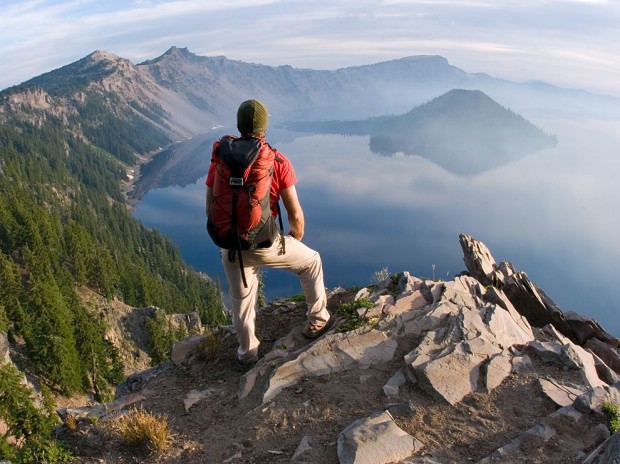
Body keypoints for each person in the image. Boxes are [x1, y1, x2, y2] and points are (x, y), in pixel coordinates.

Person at [205, 99, 331, 366]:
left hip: (230, 245)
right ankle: (318, 320)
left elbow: (210, 206)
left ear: (239, 126)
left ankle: (247, 353)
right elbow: (294, 213)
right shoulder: (276, 160)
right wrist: (295, 236)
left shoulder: (220, 160)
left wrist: (228, 234)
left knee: (241, 300)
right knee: (311, 261)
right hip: (265, 243)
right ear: (264, 128)